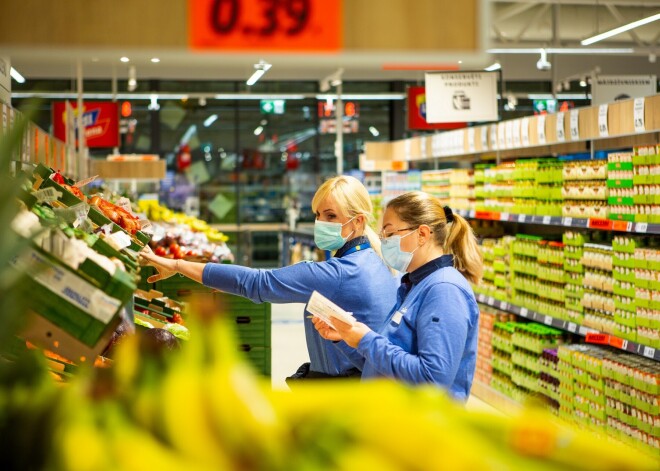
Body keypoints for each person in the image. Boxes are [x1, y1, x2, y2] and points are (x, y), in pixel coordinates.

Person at [139, 175, 399, 379]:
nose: (320, 222)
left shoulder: (338, 273)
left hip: (347, 392)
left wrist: (177, 264)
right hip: (371, 383)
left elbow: (257, 283)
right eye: (318, 214)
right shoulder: (379, 263)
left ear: (357, 222)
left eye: (331, 216)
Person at [312, 192, 483, 401]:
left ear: (422, 234)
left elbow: (432, 379)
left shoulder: (444, 290)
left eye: (390, 233)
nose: (384, 242)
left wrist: (366, 339)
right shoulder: (413, 285)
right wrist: (348, 337)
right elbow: (382, 368)